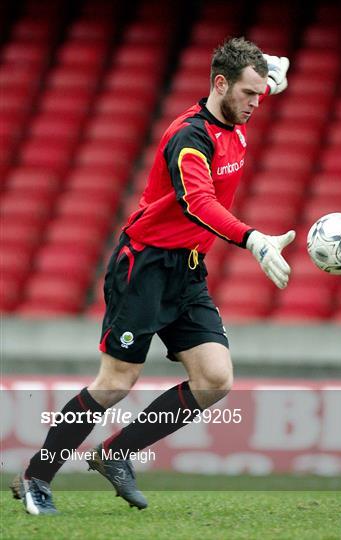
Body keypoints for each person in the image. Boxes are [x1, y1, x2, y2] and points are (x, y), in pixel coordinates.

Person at [11, 37, 295, 515]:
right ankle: (37, 477)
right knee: (116, 382)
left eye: (260, 95)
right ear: (220, 85)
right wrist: (253, 239)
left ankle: (116, 453)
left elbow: (248, 69)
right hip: (144, 267)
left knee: (214, 378)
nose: (255, 103)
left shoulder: (236, 109)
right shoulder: (189, 137)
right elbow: (198, 203)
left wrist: (269, 70)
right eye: (249, 94)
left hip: (187, 271)